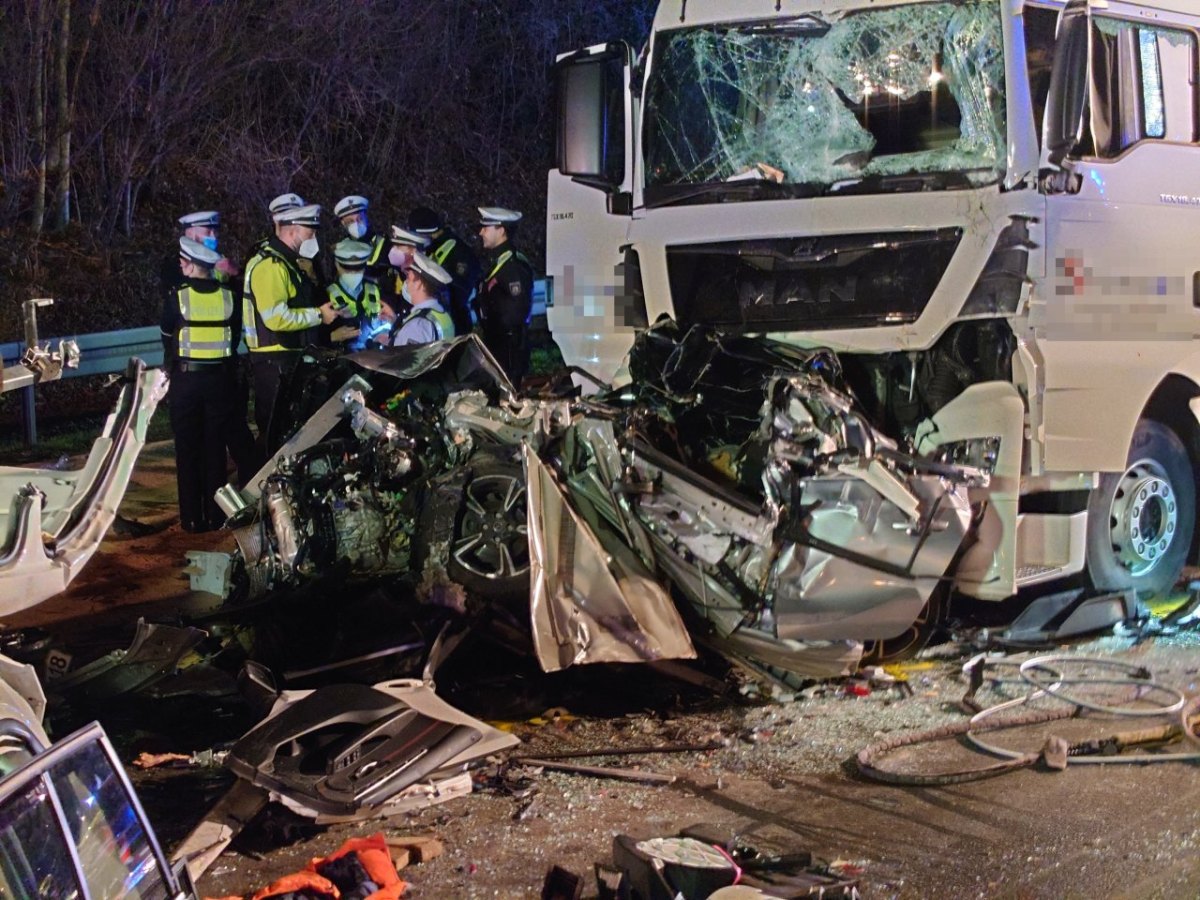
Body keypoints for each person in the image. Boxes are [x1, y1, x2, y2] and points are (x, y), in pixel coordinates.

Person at [242, 203, 338, 451]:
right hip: (274, 363)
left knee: (290, 433)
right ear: (292, 230)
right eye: (310, 231)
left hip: (287, 360)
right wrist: (319, 315)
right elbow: (276, 318)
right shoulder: (271, 266)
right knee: (274, 436)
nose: (313, 237)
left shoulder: (287, 263)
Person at [161, 237, 240, 533]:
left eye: (183, 262)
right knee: (215, 449)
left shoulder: (177, 297)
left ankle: (192, 519)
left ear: (193, 266)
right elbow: (234, 339)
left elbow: (166, 335)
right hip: (219, 379)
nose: (180, 265)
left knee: (188, 448)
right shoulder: (228, 296)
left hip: (186, 379)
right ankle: (218, 516)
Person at [475, 206, 534, 383]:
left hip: (508, 348)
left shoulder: (512, 265)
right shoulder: (500, 261)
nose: (480, 233)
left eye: (486, 228)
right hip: (498, 343)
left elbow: (515, 313)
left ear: (501, 230)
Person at [409, 205, 480, 337]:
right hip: (434, 323)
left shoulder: (460, 253)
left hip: (454, 325)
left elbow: (459, 296)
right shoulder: (433, 247)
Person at [161, 210, 238, 295]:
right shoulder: (175, 266)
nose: (214, 237)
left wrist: (235, 273)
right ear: (191, 234)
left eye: (215, 232)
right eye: (208, 232)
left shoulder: (222, 260)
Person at [389, 251, 455, 347]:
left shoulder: (417, 326)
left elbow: (406, 360)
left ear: (418, 284)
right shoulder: (440, 313)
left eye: (408, 277)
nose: (406, 283)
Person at [326, 239, 381, 352]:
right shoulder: (326, 294)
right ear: (337, 265)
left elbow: (380, 322)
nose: (353, 274)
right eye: (347, 269)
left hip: (370, 356)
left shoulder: (373, 289)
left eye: (358, 269)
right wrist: (331, 337)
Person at [334, 195, 388, 281]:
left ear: (366, 217)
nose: (356, 224)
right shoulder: (340, 249)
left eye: (360, 218)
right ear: (343, 223)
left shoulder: (385, 244)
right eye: (350, 221)